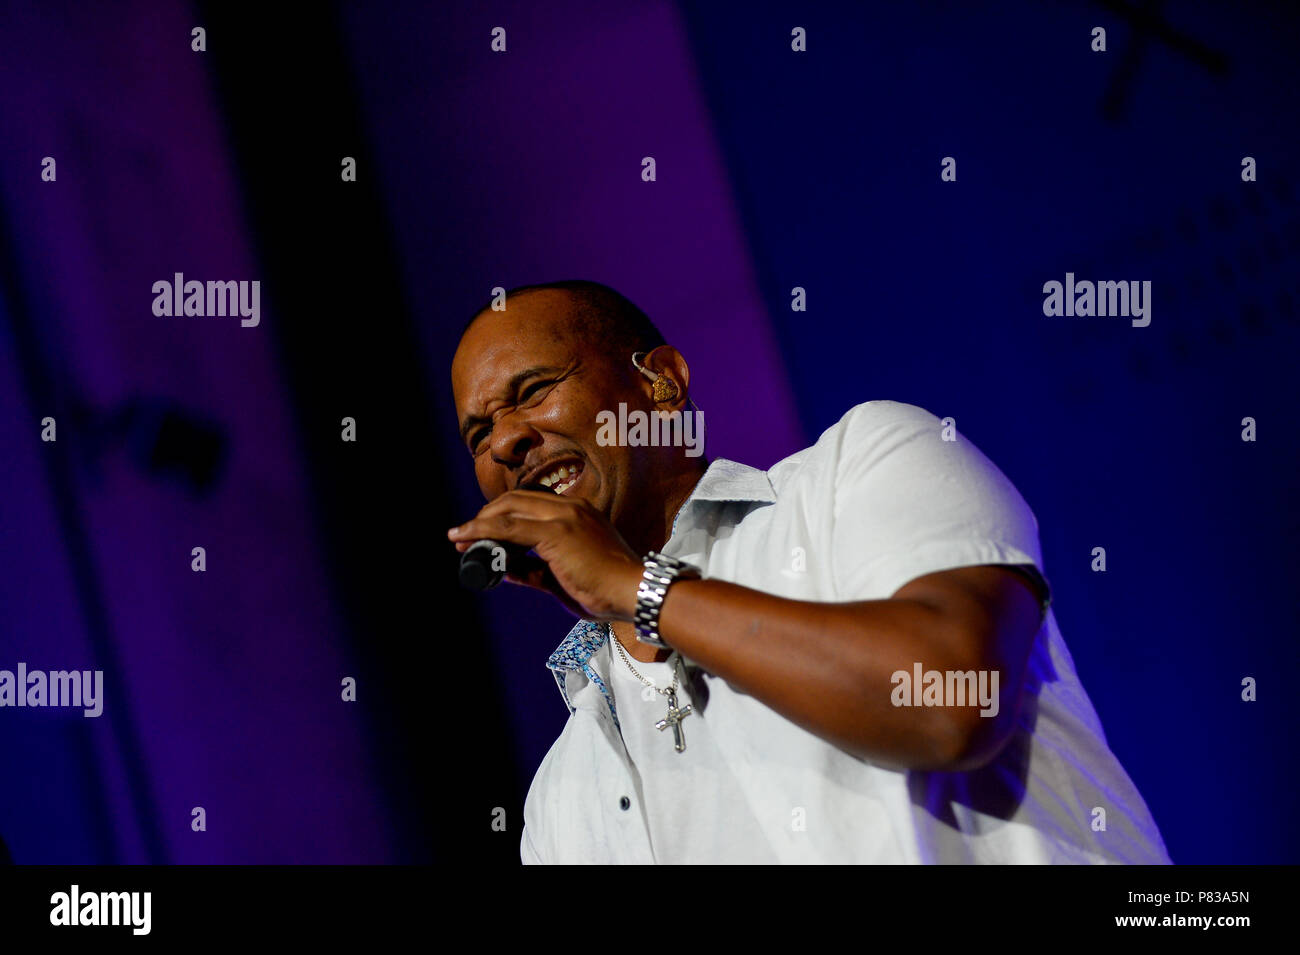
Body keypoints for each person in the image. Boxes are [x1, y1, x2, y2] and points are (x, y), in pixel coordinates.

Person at [449, 279, 1171, 864]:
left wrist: (639, 589)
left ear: (661, 383)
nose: (507, 440)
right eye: (479, 433)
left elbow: (949, 701)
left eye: (534, 389)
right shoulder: (559, 798)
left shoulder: (858, 471)